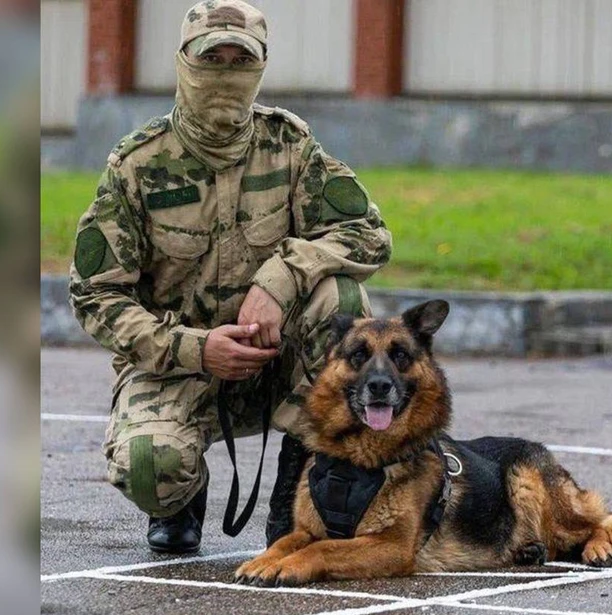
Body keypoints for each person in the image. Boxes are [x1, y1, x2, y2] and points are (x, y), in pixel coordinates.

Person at [69, 0, 391, 554]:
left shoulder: (288, 147)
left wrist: (282, 276)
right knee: (151, 465)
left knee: (339, 296)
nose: (224, 72)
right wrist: (195, 348)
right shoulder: (137, 167)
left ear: (260, 68)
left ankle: (297, 488)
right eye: (210, 58)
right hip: (178, 366)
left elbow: (367, 231)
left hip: (277, 362)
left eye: (239, 60)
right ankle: (180, 497)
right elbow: (96, 293)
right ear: (184, 64)